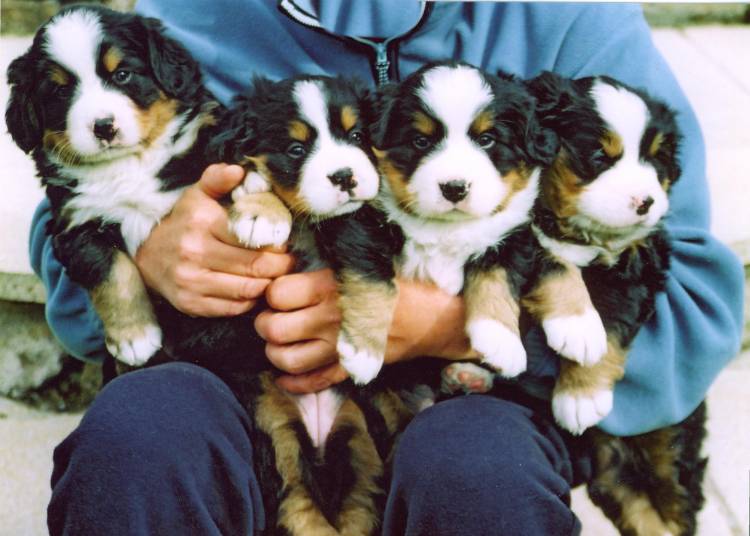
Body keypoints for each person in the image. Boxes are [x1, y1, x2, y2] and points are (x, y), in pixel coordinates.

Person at [31, 2, 744, 534]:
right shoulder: (187, 17)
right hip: (235, 374)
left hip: (476, 399)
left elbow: (694, 296)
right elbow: (67, 203)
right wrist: (149, 255)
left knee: (476, 477)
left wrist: (450, 326)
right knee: (139, 439)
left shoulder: (569, 17)